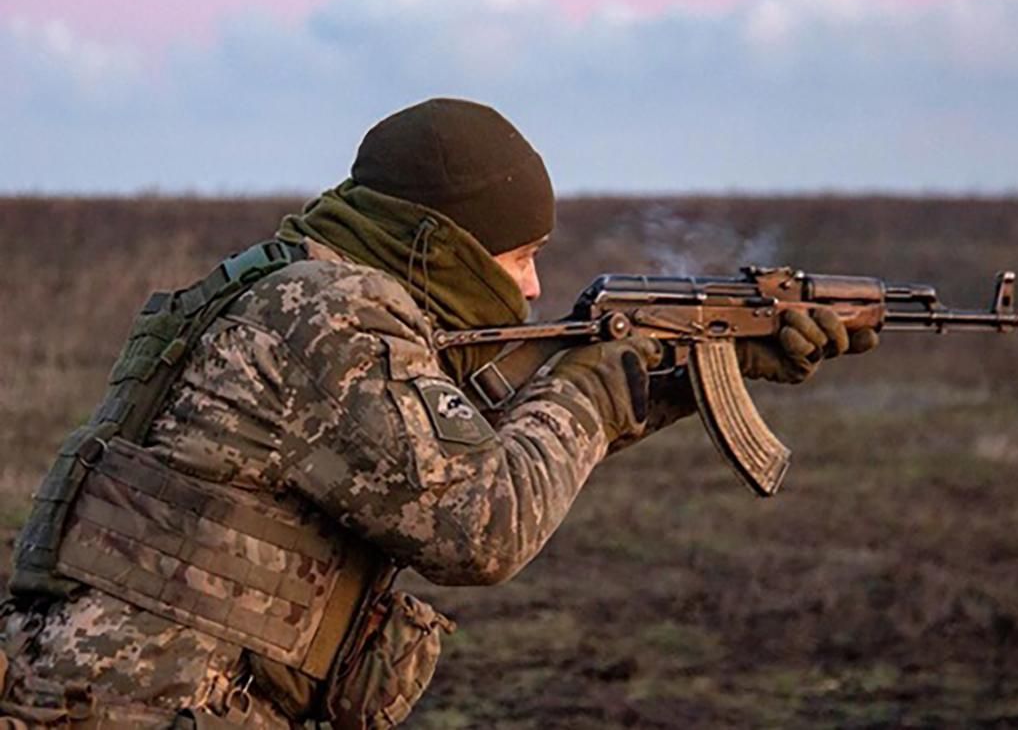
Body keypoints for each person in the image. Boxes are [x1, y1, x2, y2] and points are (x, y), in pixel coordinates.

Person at [0, 98, 876, 728]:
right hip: (140, 698)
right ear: (440, 243)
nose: (532, 285)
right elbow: (481, 519)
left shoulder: (289, 283)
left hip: (108, 687)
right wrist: (591, 385)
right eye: (522, 255)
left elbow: (473, 436)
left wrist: (682, 376)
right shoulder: (332, 313)